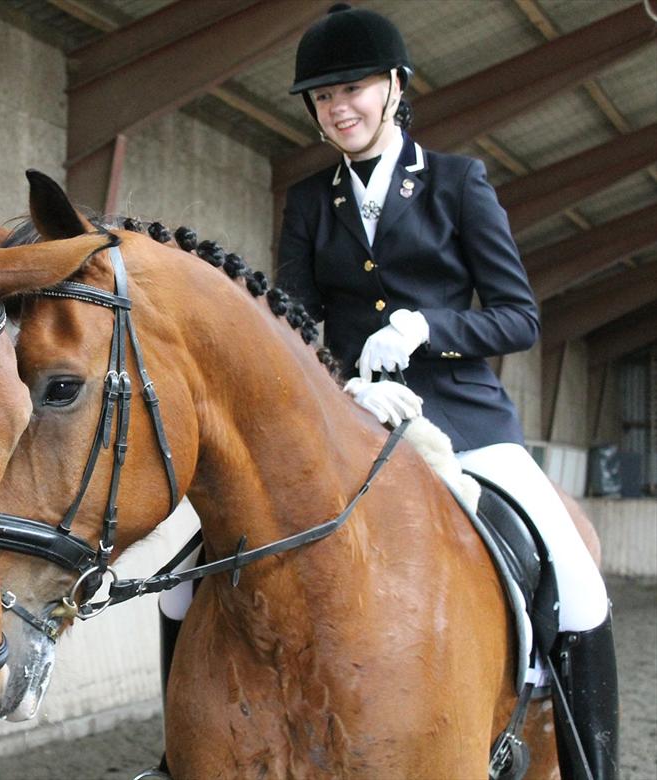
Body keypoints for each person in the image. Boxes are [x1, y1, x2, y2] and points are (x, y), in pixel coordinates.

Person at [274, 4, 618, 778]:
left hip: (466, 423)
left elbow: (519, 317)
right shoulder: (309, 200)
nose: (337, 108)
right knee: (190, 583)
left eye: (353, 89)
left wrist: (427, 328)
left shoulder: (458, 183)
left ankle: (593, 766)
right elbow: (292, 323)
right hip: (353, 419)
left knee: (576, 582)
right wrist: (344, 387)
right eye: (323, 96)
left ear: (395, 87)